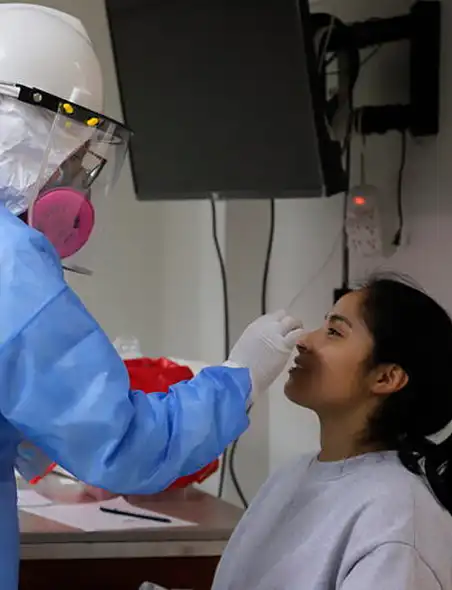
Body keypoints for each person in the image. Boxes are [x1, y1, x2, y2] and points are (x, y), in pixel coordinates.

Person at [0, 5, 305, 589]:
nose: (74, 179)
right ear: (29, 139)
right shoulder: (12, 265)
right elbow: (123, 445)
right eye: (74, 157)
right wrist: (237, 380)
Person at [211, 275, 452, 590]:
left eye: (334, 332)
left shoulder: (397, 517)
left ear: (387, 377)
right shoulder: (291, 476)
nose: (304, 340)